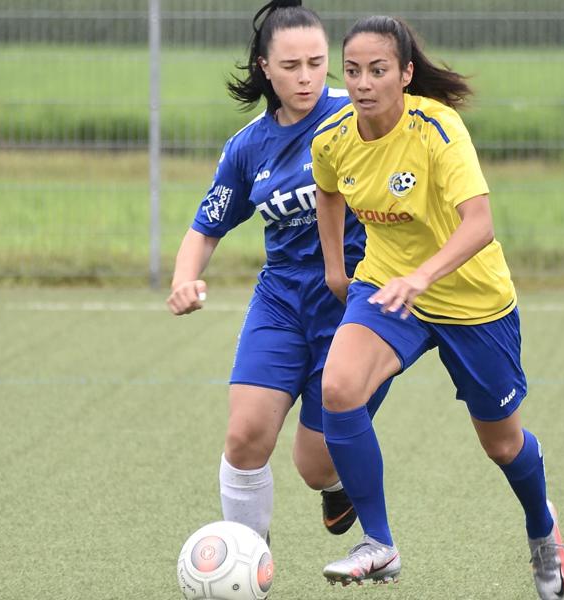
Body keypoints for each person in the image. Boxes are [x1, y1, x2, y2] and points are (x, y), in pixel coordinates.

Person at [311, 15, 564, 599]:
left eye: (378, 70)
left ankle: (541, 530)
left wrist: (423, 275)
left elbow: (479, 224)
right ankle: (379, 544)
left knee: (503, 445)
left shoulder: (437, 128)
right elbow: (328, 190)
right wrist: (335, 267)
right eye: (351, 71)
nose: (362, 83)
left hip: (474, 300)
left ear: (405, 74)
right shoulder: (331, 138)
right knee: (339, 387)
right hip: (387, 288)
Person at [165, 0, 389, 545]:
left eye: (317, 62)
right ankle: (248, 558)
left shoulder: (357, 114)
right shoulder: (247, 148)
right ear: (266, 67)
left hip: (355, 303)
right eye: (292, 66)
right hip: (282, 300)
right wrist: (184, 278)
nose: (307, 76)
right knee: (244, 437)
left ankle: (334, 485)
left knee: (312, 464)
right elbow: (205, 226)